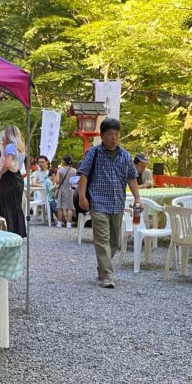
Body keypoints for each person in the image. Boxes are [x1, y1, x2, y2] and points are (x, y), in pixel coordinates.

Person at [76, 118, 142, 288]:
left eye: (117, 134)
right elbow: (83, 174)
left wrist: (137, 198)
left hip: (117, 203)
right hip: (98, 202)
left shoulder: (125, 155)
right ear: (102, 136)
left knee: (114, 242)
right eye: (110, 134)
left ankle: (102, 270)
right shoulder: (94, 153)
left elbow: (132, 178)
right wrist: (82, 196)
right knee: (102, 239)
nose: (114, 138)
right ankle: (107, 276)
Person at [0, 124, 28, 237]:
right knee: (15, 207)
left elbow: (7, 164)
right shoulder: (20, 148)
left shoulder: (10, 147)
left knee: (4, 206)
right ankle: (16, 233)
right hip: (17, 179)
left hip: (8, 179)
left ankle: (6, 234)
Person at [55, 155, 77, 228]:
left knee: (60, 207)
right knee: (70, 207)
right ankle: (69, 224)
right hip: (71, 190)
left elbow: (57, 181)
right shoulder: (74, 170)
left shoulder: (60, 170)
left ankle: (59, 223)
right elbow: (76, 180)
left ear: (64, 161)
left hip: (62, 189)